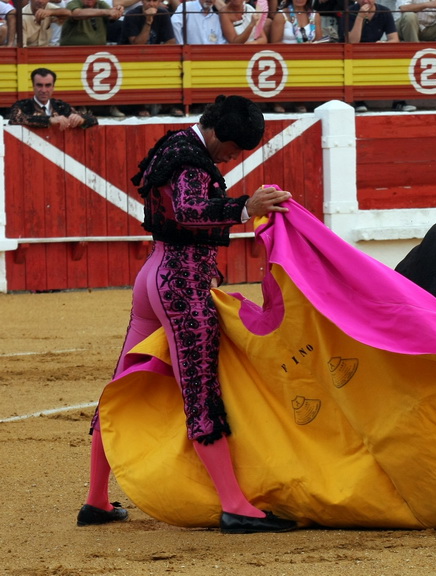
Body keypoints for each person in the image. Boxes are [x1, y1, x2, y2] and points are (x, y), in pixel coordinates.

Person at [76, 95, 298, 534]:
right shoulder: (192, 162)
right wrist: (243, 207)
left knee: (123, 382)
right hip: (180, 279)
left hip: (154, 274)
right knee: (199, 387)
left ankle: (96, 500)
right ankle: (235, 505)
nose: (233, 158)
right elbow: (190, 209)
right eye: (233, 149)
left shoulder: (175, 144)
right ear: (216, 132)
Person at [339, 0, 417, 113]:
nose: (365, 1)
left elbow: (394, 39)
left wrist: (384, 44)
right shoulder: (349, 12)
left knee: (397, 61)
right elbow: (352, 41)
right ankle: (358, 101)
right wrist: (360, 17)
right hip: (354, 53)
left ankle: (399, 101)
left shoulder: (384, 11)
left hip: (376, 52)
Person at [120, 0, 183, 116]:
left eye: (155, 1)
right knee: (138, 69)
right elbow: (137, 46)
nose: (151, 4)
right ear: (143, 1)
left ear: (159, 2)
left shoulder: (163, 14)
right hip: (131, 59)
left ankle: (172, 105)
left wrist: (155, 54)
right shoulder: (132, 15)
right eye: (148, 0)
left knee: (175, 65)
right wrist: (148, 21)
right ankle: (139, 106)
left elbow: (171, 41)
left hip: (154, 58)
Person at [269, 0, 322, 113]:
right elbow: (274, 43)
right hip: (284, 58)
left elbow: (319, 41)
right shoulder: (281, 15)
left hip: (307, 59)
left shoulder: (315, 15)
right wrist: (296, 48)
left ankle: (300, 100)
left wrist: (309, 46)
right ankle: (277, 101)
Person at [9, 67, 98, 130]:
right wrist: (49, 120)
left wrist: (81, 120)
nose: (44, 90)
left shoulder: (61, 106)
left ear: (53, 87)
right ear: (33, 86)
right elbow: (14, 118)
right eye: (39, 85)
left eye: (48, 85)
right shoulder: (22, 105)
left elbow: (93, 120)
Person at [59, 0, 124, 44]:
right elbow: (77, 14)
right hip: (73, 52)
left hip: (97, 53)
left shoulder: (100, 4)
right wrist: (107, 12)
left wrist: (117, 11)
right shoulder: (73, 4)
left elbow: (111, 17)